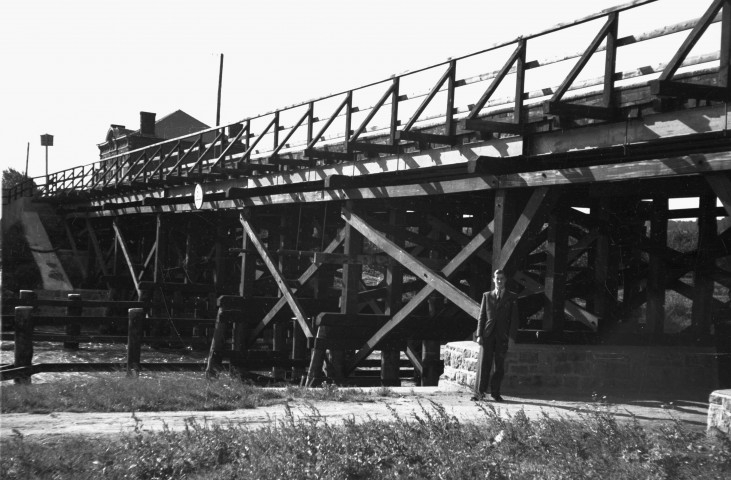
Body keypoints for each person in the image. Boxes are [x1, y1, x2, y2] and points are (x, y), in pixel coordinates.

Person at [473, 269, 518, 402]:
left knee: (499, 366)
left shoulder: (512, 297)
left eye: (501, 279)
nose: (499, 281)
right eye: (497, 279)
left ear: (505, 280)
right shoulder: (487, 296)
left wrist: (511, 338)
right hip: (488, 335)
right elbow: (481, 317)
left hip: (502, 336)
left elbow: (515, 320)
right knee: (484, 365)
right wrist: (479, 335)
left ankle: (495, 393)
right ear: (493, 280)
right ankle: (479, 393)